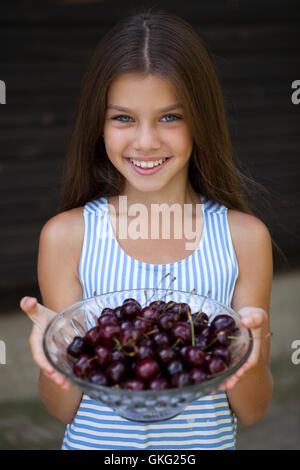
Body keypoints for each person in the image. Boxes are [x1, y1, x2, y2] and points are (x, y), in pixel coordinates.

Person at [20, 7, 273, 450]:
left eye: (170, 117)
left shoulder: (244, 238)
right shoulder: (67, 236)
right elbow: (61, 410)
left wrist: (253, 347)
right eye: (123, 118)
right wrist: (55, 352)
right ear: (98, 126)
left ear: (202, 122)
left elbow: (253, 411)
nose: (146, 141)